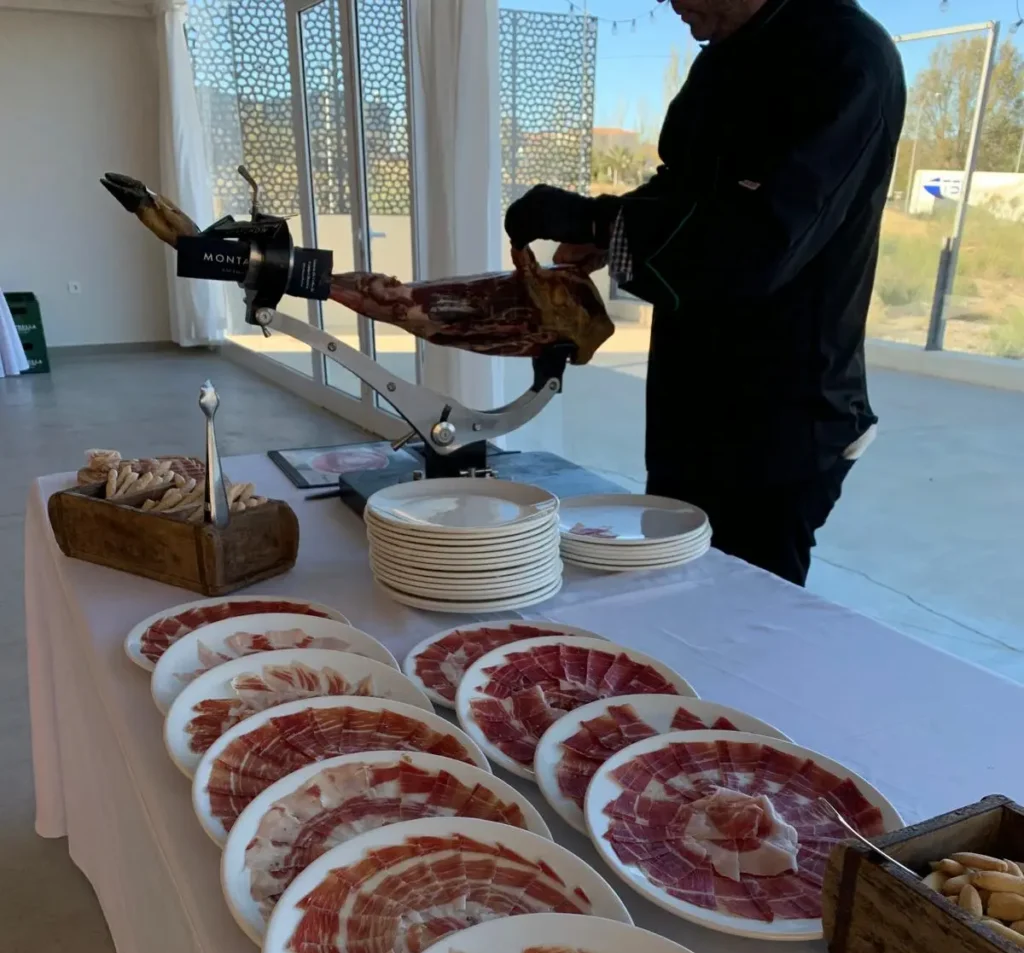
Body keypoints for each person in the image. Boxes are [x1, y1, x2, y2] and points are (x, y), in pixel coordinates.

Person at [504, 0, 907, 587]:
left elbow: (760, 241)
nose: (671, 4)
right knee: (671, 586)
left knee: (741, 613)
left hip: (779, 418)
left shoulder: (845, 58)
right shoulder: (723, 58)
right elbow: (683, 187)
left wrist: (597, 222)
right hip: (693, 399)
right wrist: (612, 231)